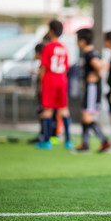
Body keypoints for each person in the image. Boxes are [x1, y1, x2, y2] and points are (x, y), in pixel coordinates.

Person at [35, 19, 72, 150]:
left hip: (50, 80)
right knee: (64, 110)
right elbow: (67, 67)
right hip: (62, 80)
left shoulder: (48, 47)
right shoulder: (64, 48)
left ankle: (46, 141)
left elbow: (43, 68)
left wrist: (40, 84)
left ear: (50, 31)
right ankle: (68, 140)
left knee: (47, 111)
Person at [76, 28, 111, 153]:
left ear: (82, 41)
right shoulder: (91, 53)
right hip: (90, 88)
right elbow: (105, 64)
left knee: (87, 117)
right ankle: (85, 143)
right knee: (84, 115)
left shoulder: (90, 54)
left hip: (92, 89)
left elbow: (103, 65)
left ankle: (104, 141)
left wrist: (97, 75)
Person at [28, 42, 62, 144]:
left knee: (45, 113)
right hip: (51, 91)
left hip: (47, 92)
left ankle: (47, 136)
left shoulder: (45, 65)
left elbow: (45, 75)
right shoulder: (46, 64)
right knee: (50, 113)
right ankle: (49, 136)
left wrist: (41, 88)